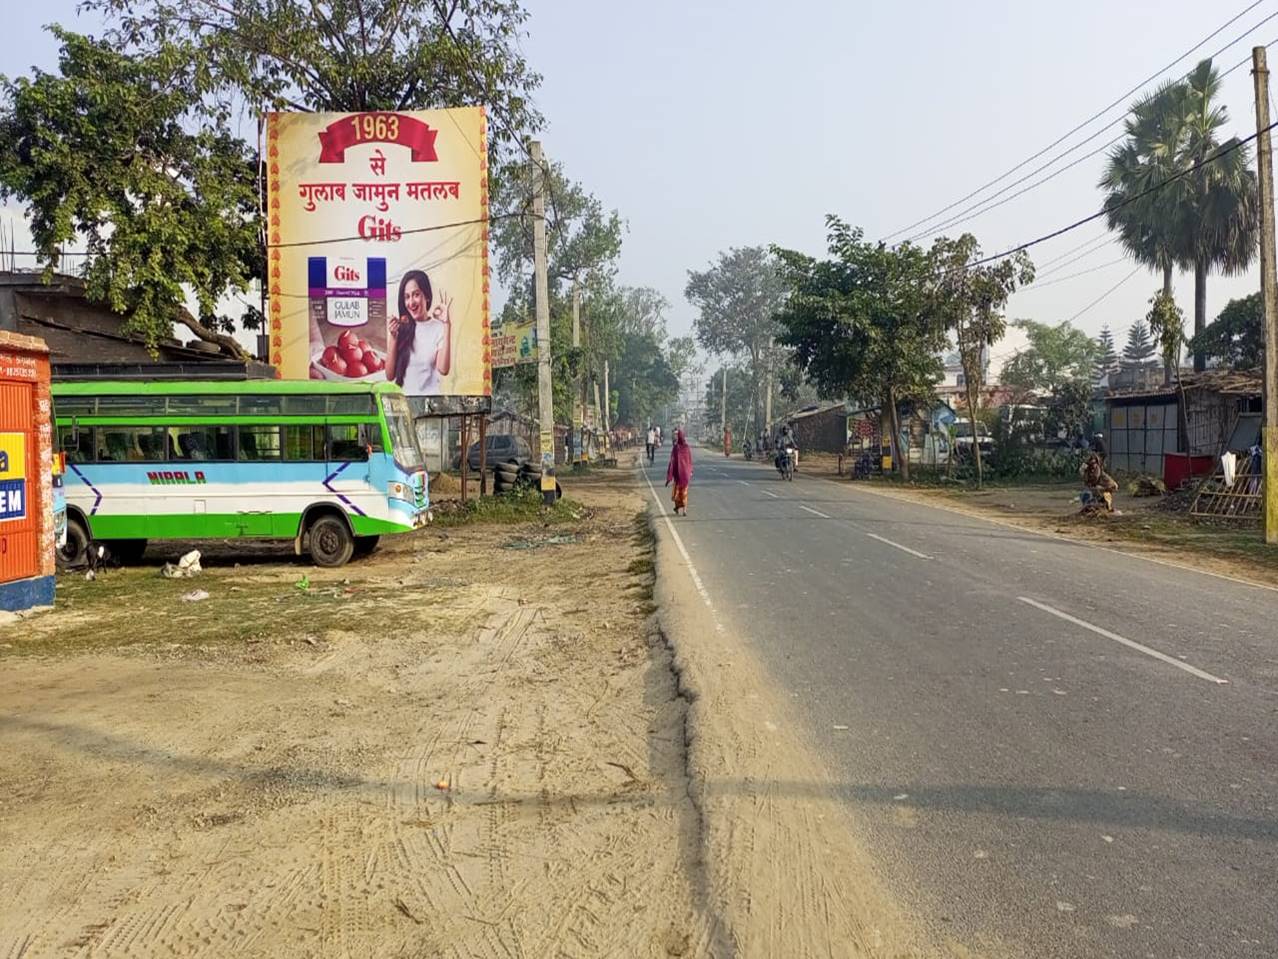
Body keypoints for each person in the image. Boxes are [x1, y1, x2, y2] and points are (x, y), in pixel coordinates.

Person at [387, 269, 453, 393]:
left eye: (416, 294)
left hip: (430, 407)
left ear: (427, 296)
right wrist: (393, 337)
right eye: (407, 297)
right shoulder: (400, 328)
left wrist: (447, 324)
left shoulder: (438, 327)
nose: (411, 302)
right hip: (404, 406)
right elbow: (390, 375)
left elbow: (443, 369)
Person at [666, 428, 694, 516]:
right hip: (685, 476)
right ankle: (684, 510)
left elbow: (672, 462)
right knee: (684, 493)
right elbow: (690, 461)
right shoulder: (687, 447)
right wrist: (690, 471)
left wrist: (669, 477)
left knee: (677, 493)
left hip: (678, 475)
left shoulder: (676, 448)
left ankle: (677, 509)